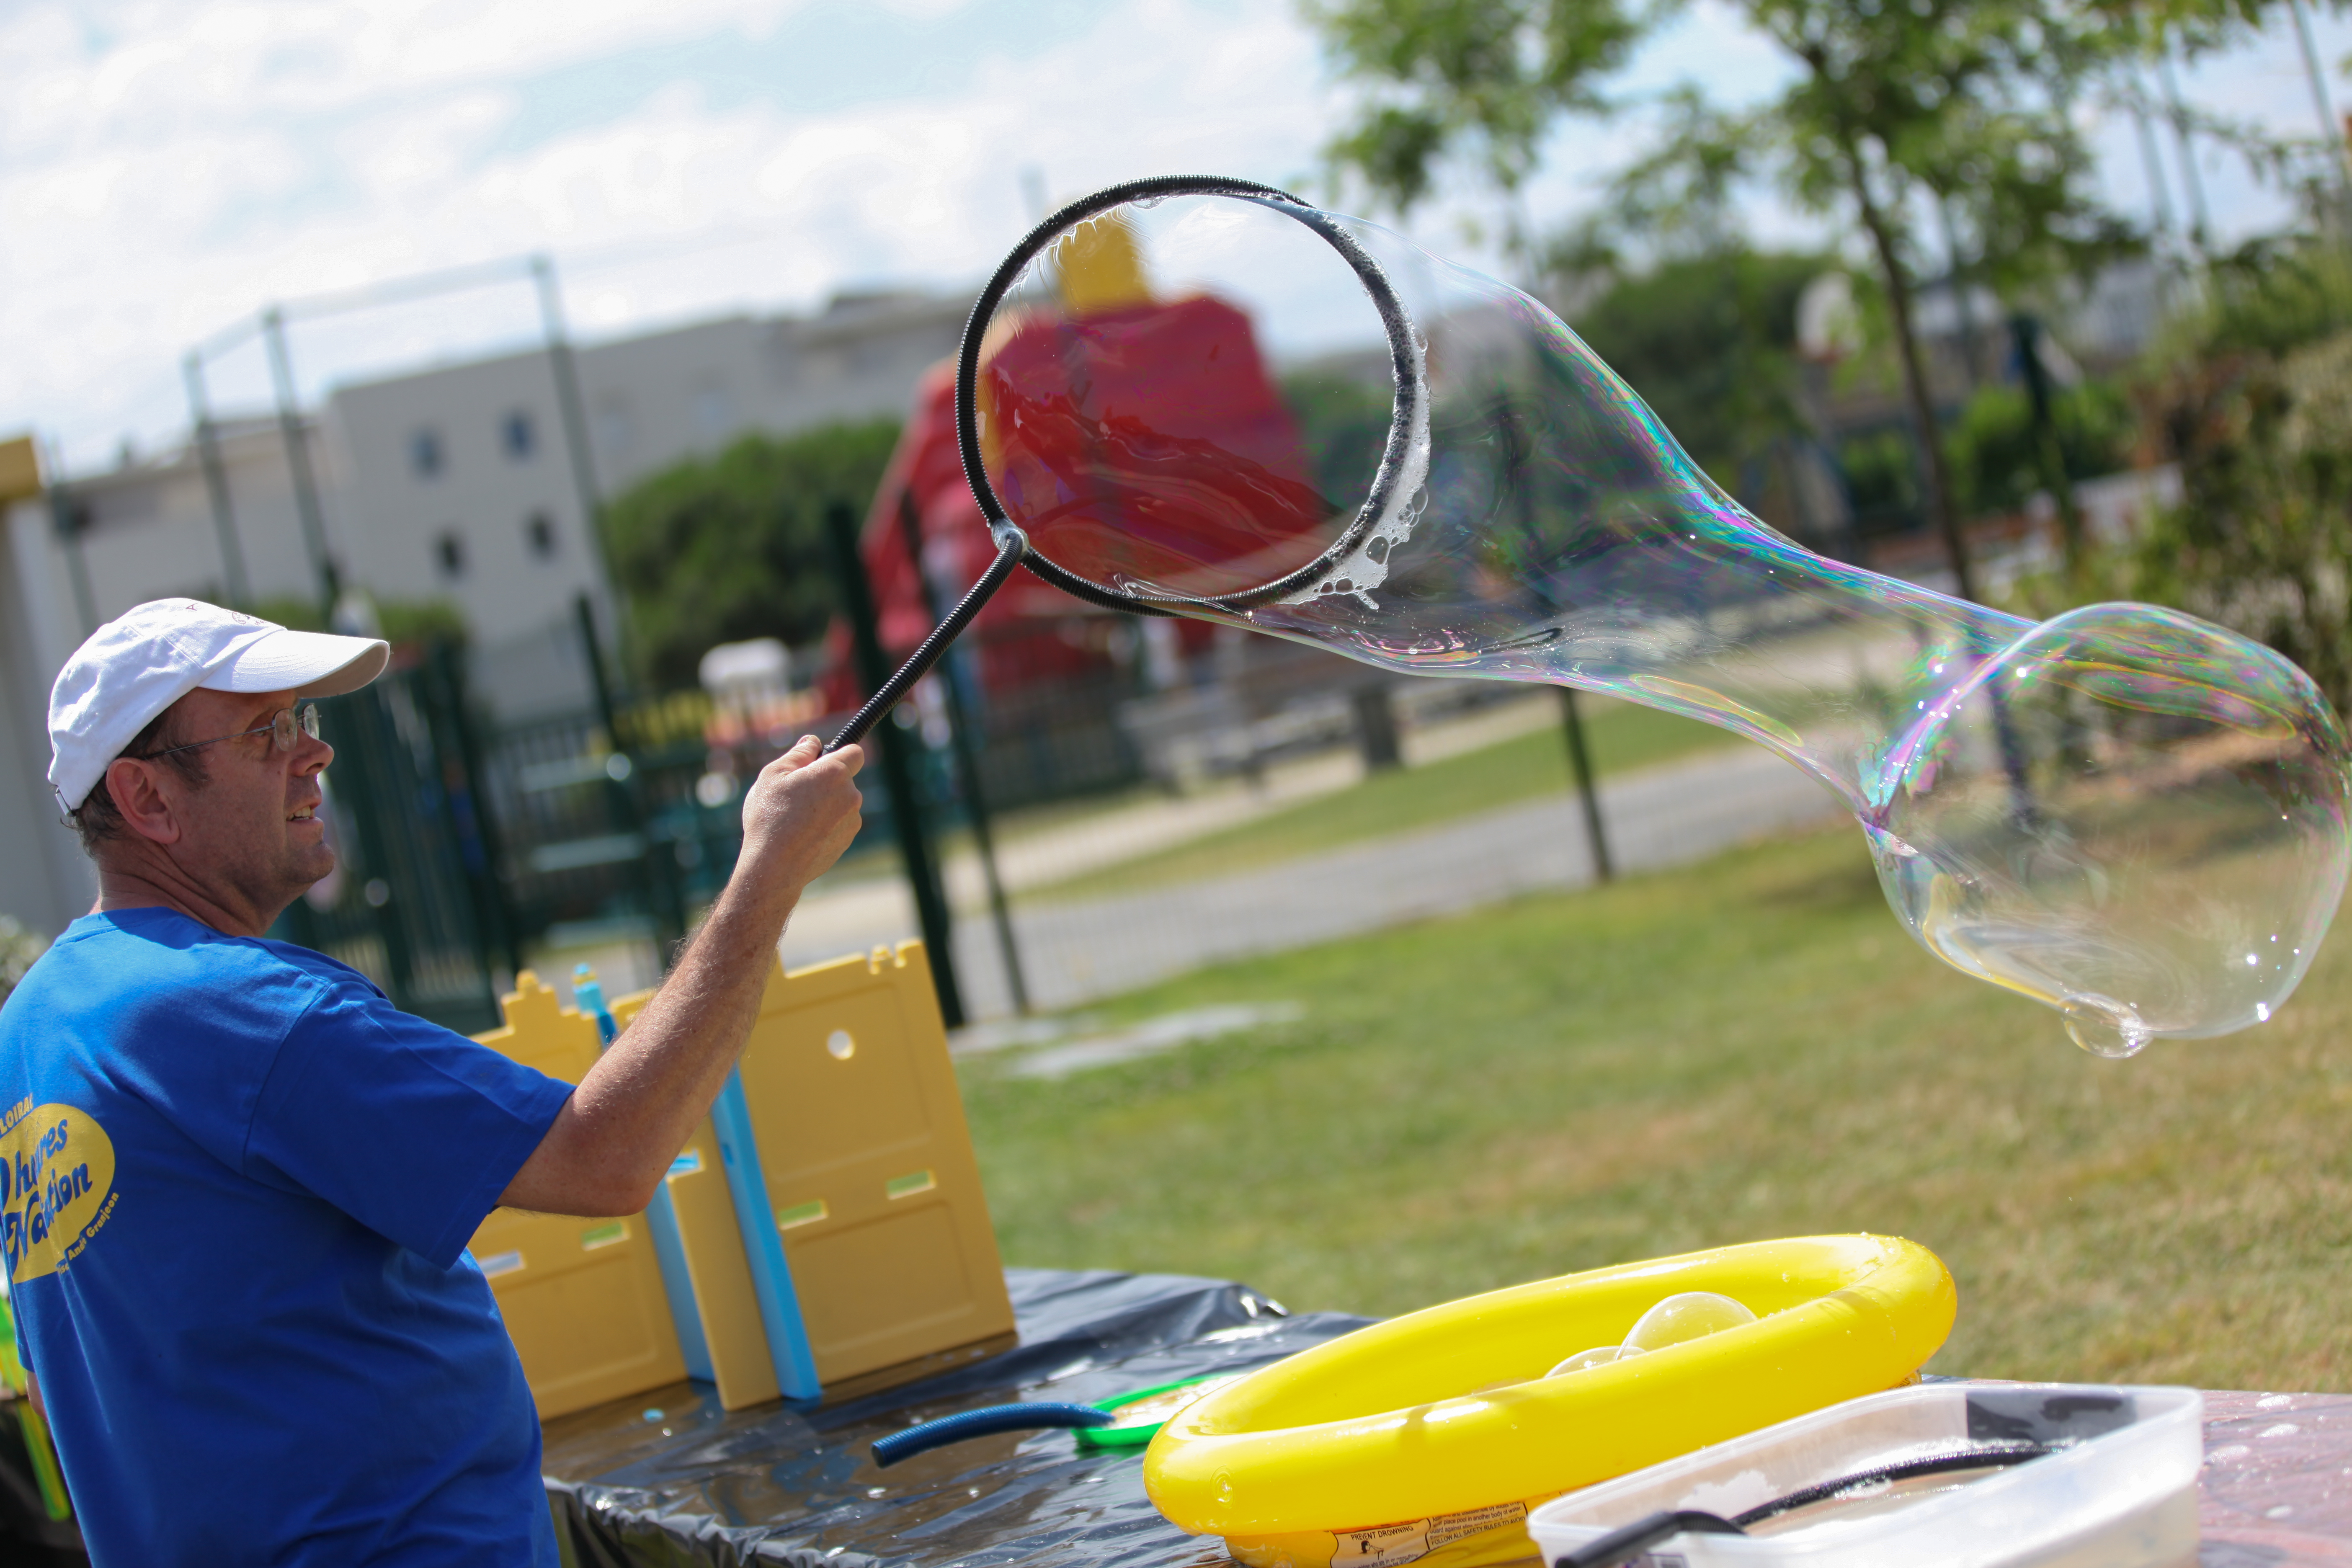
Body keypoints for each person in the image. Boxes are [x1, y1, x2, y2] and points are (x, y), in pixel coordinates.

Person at [0, 599, 864, 1566]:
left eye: (304, 722)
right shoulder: (242, 1013)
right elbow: (606, 1157)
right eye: (265, 732)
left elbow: (77, 1367)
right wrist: (768, 876)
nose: (313, 755)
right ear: (147, 799)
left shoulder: (32, 1028)